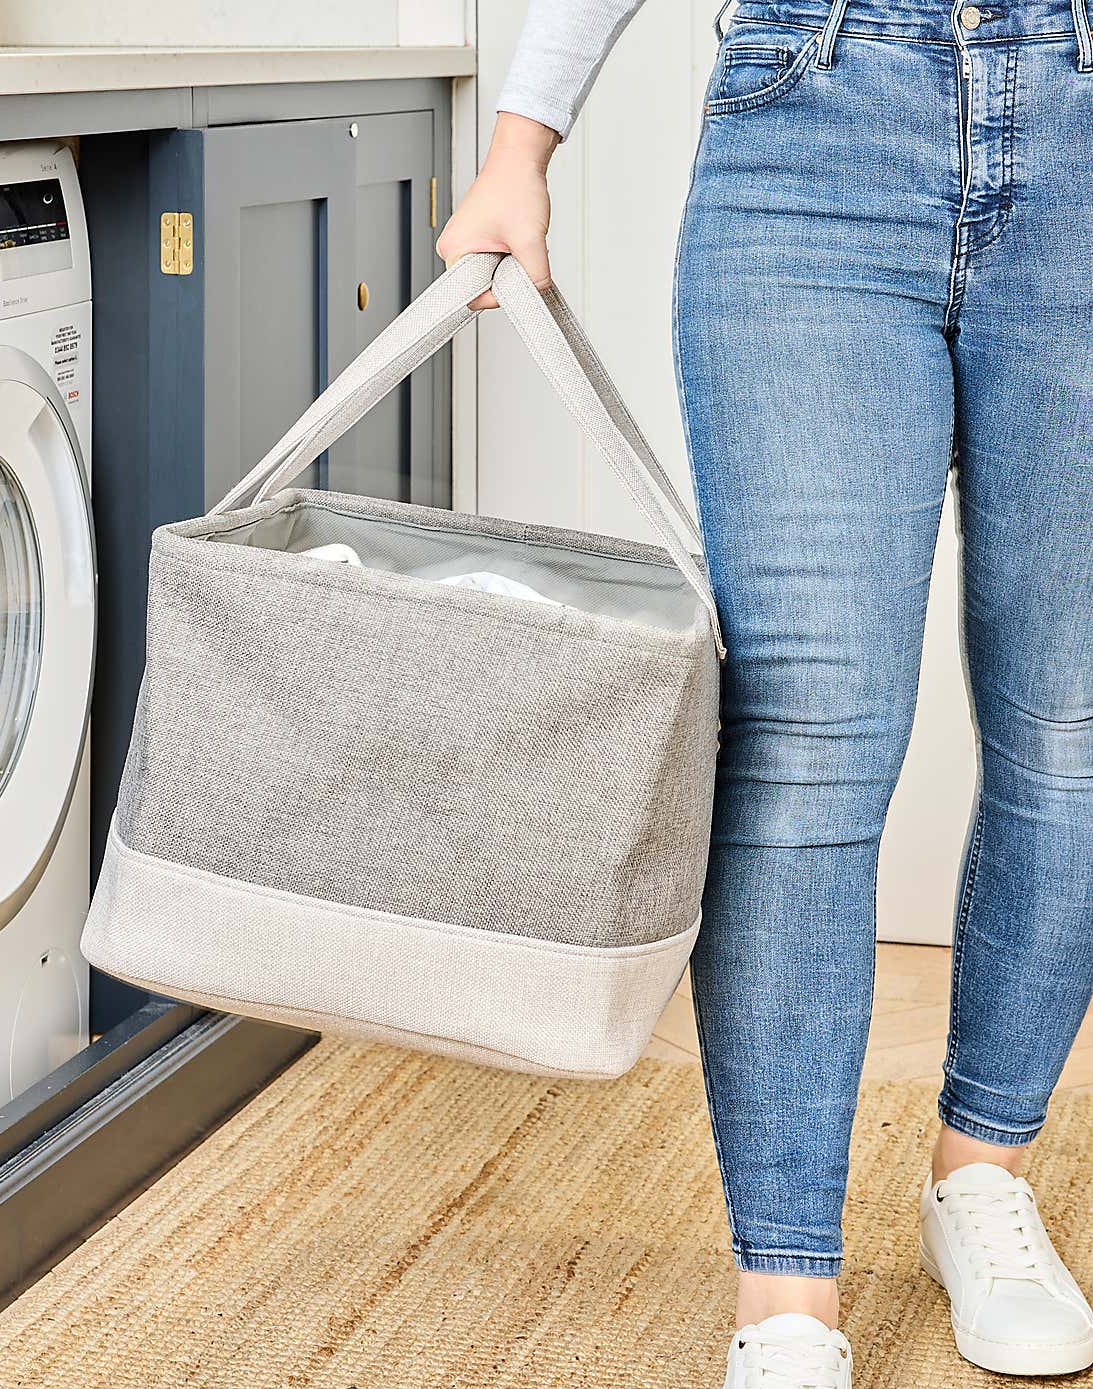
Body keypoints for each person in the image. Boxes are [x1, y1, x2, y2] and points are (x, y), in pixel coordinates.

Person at [437, 0, 1093, 1382]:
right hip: (812, 119)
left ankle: (976, 1175)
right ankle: (784, 1289)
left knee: (1070, 727)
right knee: (804, 736)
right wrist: (519, 142)